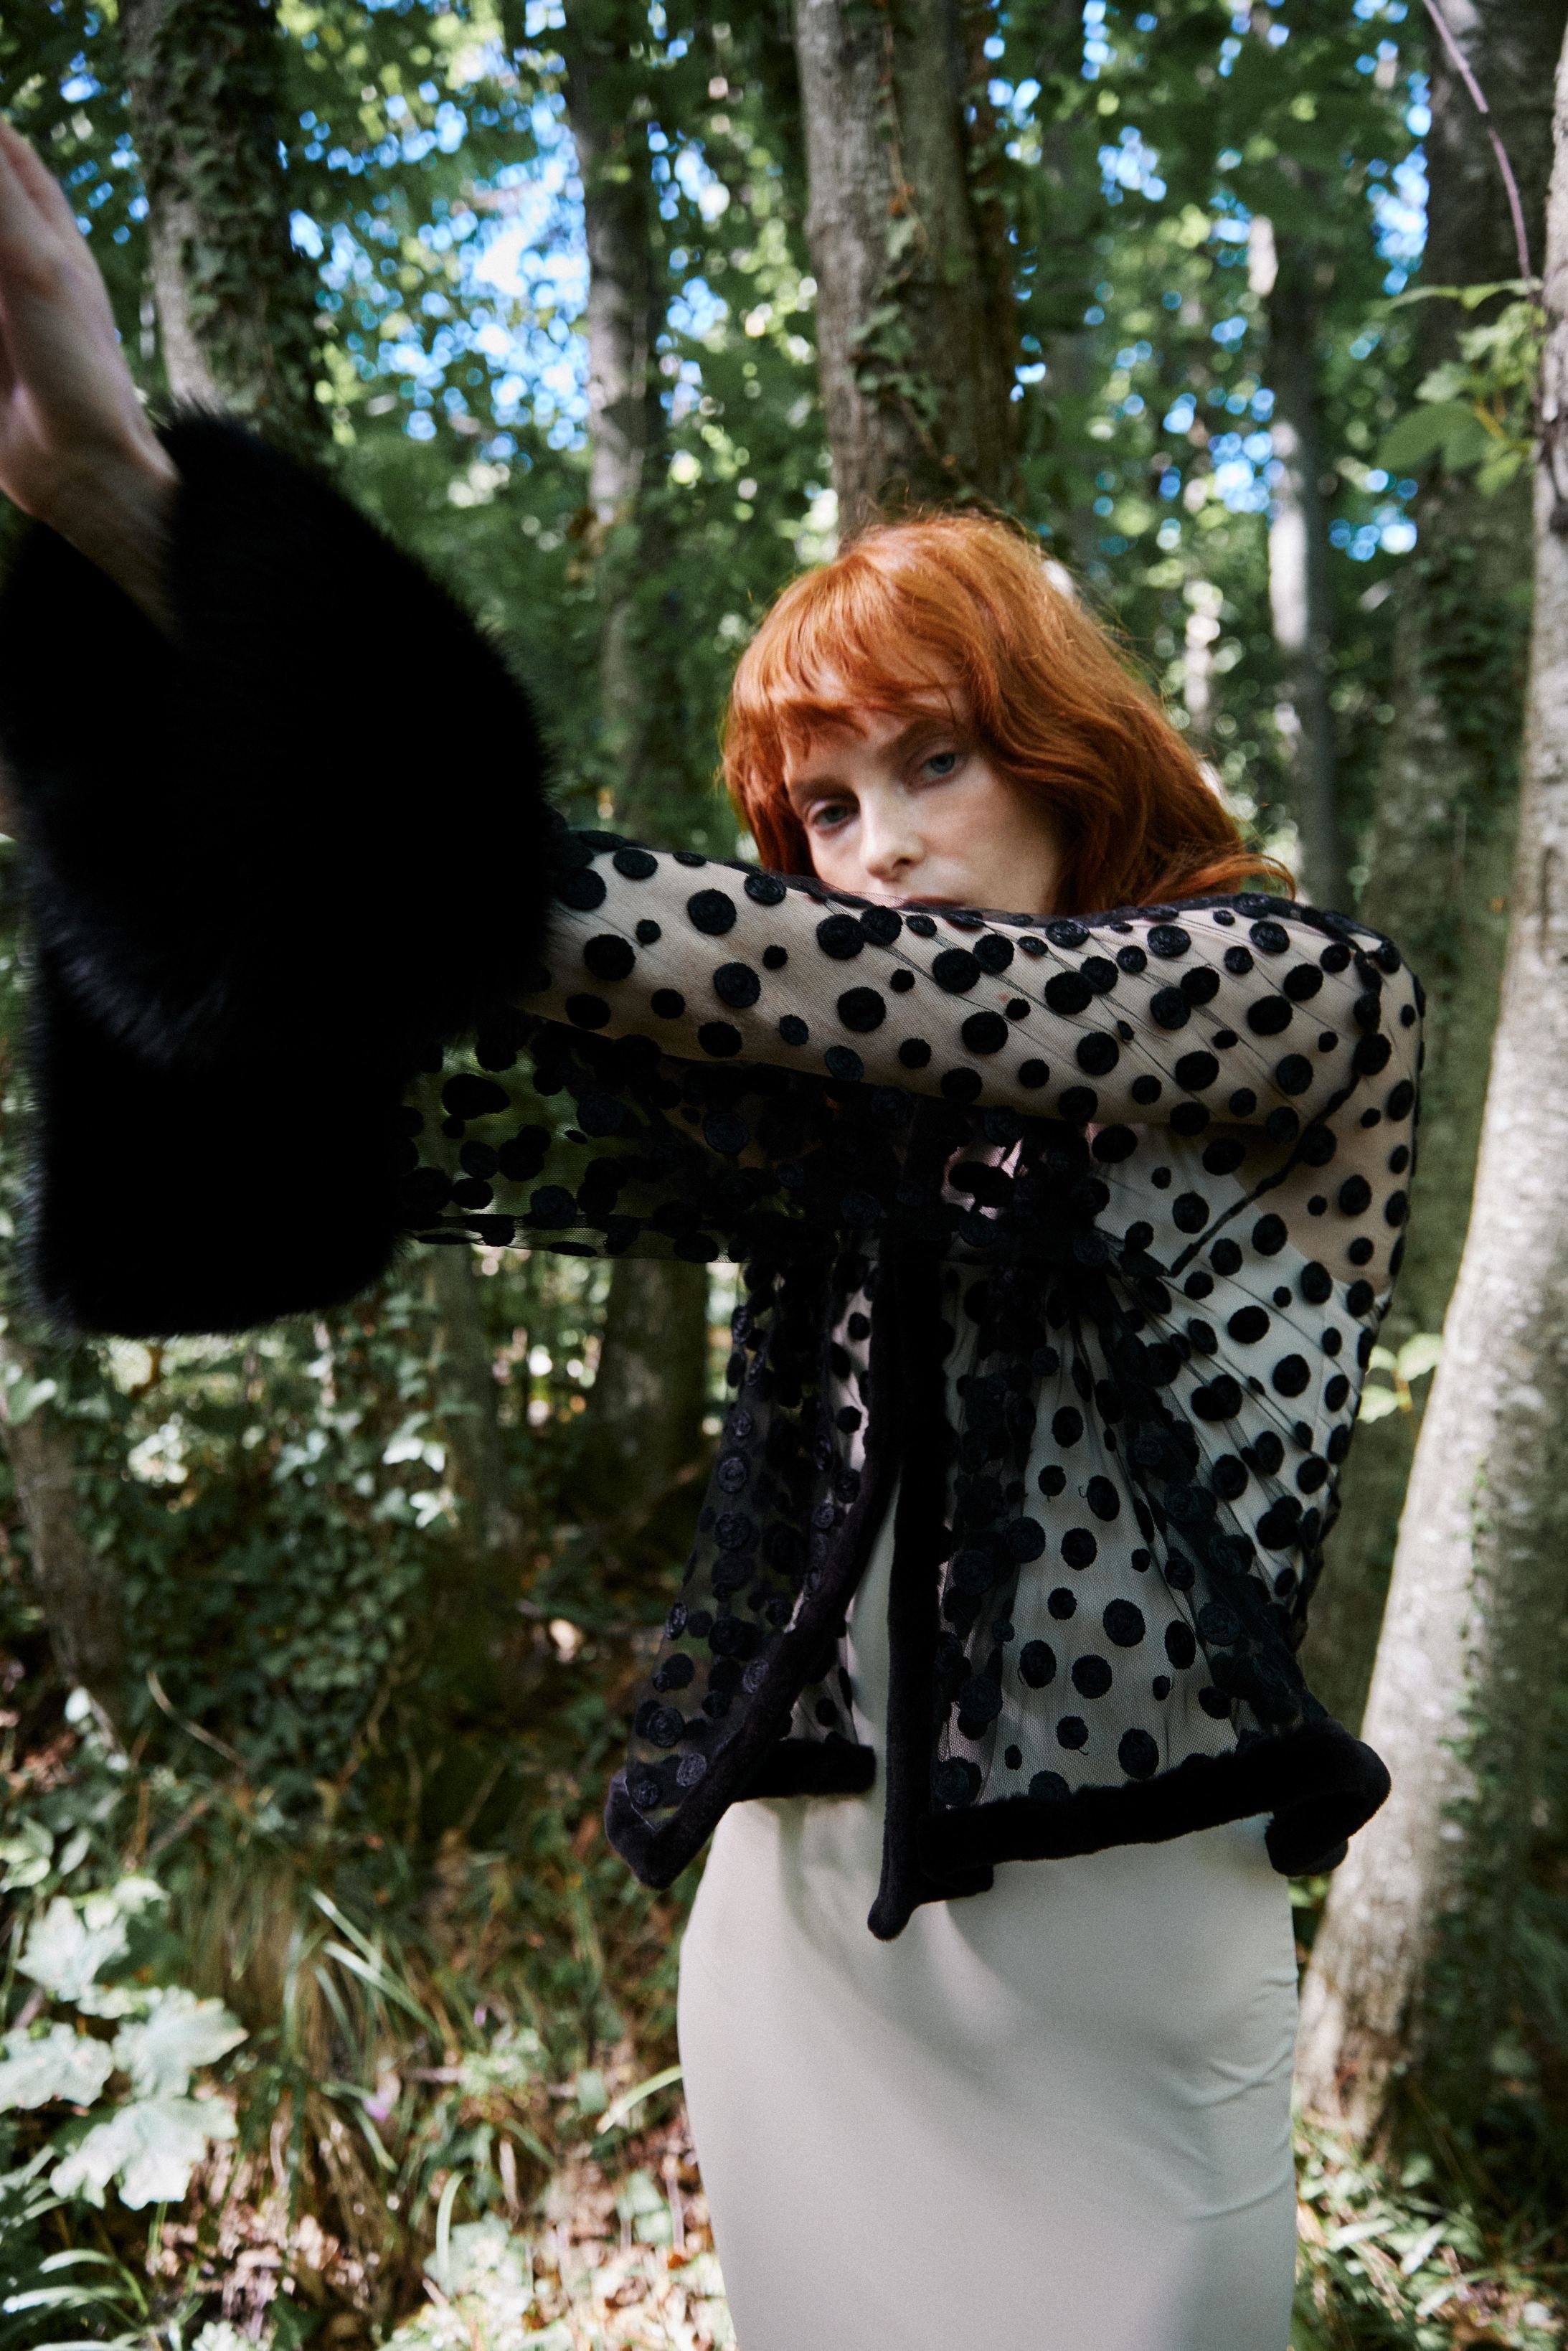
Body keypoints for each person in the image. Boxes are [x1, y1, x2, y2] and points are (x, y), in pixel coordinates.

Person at [0, 117, 1421, 2350]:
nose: (873, 849)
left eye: (931, 764)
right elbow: (445, 1052)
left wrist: (138, 503)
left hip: (1129, 1985)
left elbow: (825, 983)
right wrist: (113, 557)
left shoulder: (1305, 1007)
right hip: (802, 1947)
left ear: (1065, 751)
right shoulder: (819, 1131)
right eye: (820, 809)